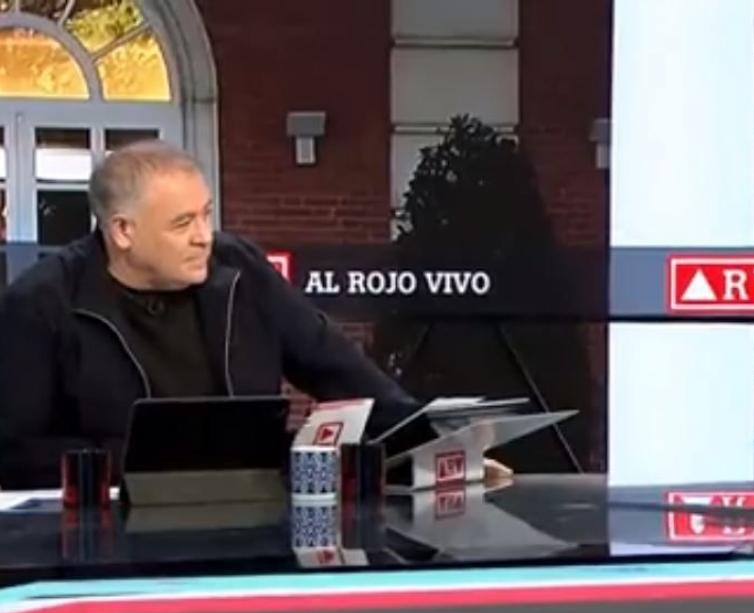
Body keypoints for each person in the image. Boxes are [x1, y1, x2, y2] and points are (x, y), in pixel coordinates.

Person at [0, 141, 511, 489]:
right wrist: (145, 462)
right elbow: (14, 451)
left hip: (254, 510)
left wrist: (433, 447)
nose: (203, 236)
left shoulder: (239, 269)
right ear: (122, 231)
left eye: (206, 215)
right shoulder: (42, 303)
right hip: (110, 534)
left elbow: (337, 369)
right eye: (182, 223)